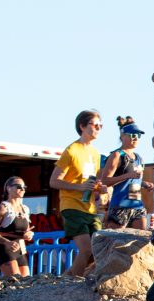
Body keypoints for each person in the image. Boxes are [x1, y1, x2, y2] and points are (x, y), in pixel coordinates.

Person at [49, 109, 103, 278]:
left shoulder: (95, 153)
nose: (98, 129)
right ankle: (75, 285)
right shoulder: (71, 151)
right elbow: (53, 181)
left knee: (98, 250)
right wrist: (79, 187)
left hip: (90, 208)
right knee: (86, 249)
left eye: (101, 126)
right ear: (82, 126)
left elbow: (90, 180)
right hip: (71, 205)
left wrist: (100, 188)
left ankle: (65, 279)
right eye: (94, 125)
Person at [101, 116, 154, 230]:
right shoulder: (117, 155)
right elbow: (105, 180)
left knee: (139, 242)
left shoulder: (139, 158)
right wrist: (128, 176)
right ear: (122, 136)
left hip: (137, 205)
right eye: (132, 135)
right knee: (116, 245)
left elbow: (132, 181)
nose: (135, 138)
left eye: (138, 135)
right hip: (120, 206)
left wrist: (144, 184)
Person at [0, 177, 34, 278]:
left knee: (26, 283)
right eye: (19, 187)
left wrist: (28, 234)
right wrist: (6, 242)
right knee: (15, 281)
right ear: (8, 188)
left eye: (24, 187)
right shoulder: (3, 208)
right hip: (5, 249)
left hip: (20, 249)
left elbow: (26, 229)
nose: (23, 189)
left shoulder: (25, 209)